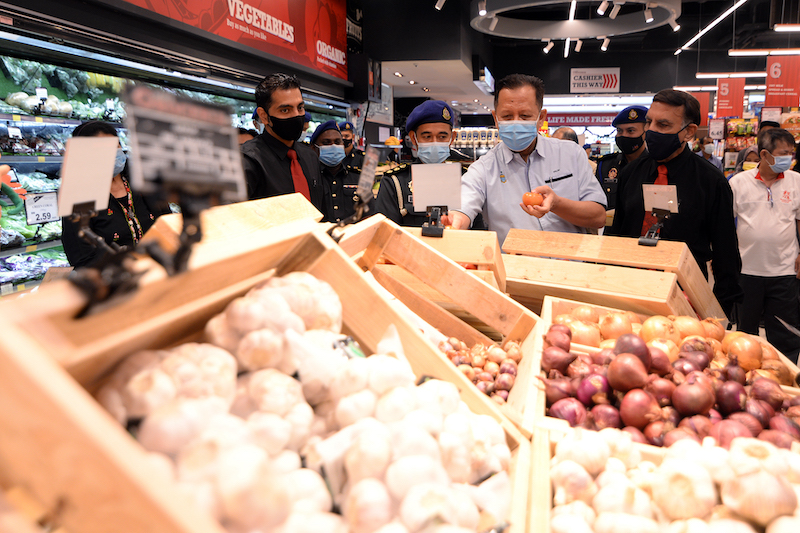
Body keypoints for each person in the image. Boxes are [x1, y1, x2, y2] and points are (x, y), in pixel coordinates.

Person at [607, 89, 742, 319]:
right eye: (649, 122)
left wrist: (716, 316)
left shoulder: (711, 182)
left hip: (685, 296)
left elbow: (725, 256)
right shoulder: (631, 173)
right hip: (630, 289)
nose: (651, 131)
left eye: (663, 125)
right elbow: (616, 235)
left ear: (688, 132)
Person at [444, 73, 607, 245]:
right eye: (507, 116)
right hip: (515, 267)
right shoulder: (484, 168)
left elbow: (598, 217)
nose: (515, 123)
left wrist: (556, 204)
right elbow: (464, 205)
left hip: (569, 264)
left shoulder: (571, 154)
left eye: (525, 116)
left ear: (540, 118)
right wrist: (455, 220)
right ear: (496, 119)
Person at [729, 128, 800, 362]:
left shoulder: (797, 181)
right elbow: (726, 225)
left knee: (787, 335)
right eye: (783, 153)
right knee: (745, 337)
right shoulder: (738, 183)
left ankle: (783, 380)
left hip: (785, 272)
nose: (788, 158)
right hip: (747, 271)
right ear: (765, 154)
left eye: (791, 153)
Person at [61, 121, 169, 268]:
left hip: (159, 268)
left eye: (115, 145)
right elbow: (81, 256)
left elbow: (168, 222)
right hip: (117, 279)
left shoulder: (142, 179)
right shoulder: (79, 195)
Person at [241, 73, 323, 211]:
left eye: (300, 107)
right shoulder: (247, 161)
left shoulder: (310, 157)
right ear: (264, 116)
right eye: (285, 110)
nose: (296, 115)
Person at [375, 100, 459, 226]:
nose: (435, 142)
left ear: (452, 138)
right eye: (427, 137)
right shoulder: (395, 183)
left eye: (442, 137)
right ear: (414, 138)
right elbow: (385, 234)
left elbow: (479, 233)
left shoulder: (465, 180)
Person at [310, 120, 374, 223]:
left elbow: (370, 216)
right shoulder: (310, 178)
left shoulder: (359, 178)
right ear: (314, 148)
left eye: (337, 142)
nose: (333, 146)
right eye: (326, 143)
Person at [595, 105, 648, 210]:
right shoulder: (605, 166)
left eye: (630, 131)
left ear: (645, 134)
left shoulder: (657, 165)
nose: (624, 135)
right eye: (619, 131)